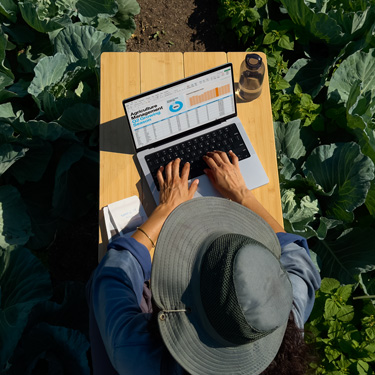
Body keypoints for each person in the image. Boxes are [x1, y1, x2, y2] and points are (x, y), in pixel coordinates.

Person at [87, 150, 321, 375]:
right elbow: (298, 259)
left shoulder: (139, 355)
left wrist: (166, 211)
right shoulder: (274, 321)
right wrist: (241, 193)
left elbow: (113, 274)